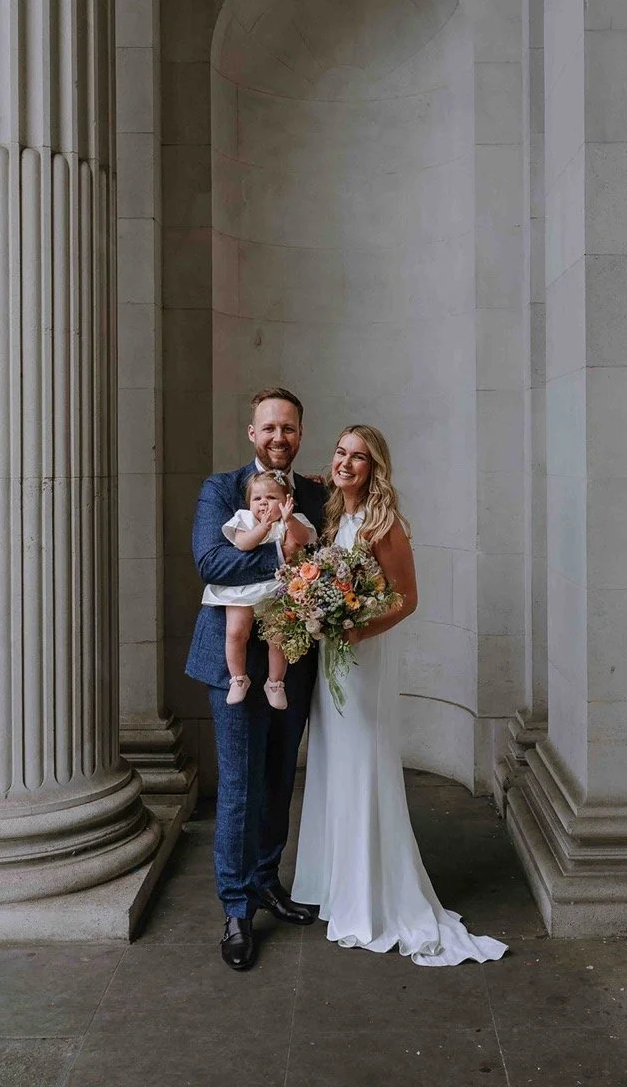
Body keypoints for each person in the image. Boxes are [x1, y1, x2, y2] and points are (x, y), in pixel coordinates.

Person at [292, 425, 507, 967]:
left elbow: (406, 600)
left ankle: (372, 895)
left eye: (358, 457)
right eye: (341, 452)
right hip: (330, 661)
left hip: (362, 658)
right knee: (335, 764)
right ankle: (336, 885)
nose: (345, 463)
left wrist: (353, 629)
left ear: (375, 467)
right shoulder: (335, 515)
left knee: (363, 762)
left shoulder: (385, 526)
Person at [185, 388, 327, 970]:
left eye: (288, 429)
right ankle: (237, 908)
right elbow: (212, 563)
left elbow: (334, 560)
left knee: (277, 780)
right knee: (241, 784)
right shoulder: (222, 489)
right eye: (269, 428)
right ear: (252, 433)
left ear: (299, 434)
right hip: (233, 663)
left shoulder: (315, 493)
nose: (278, 437)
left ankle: (267, 880)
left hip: (290, 660)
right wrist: (288, 559)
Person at [201, 469, 317, 711]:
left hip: (275, 588)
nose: (263, 503)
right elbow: (243, 544)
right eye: (257, 498)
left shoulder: (293, 520)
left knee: (278, 637)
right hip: (242, 588)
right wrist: (262, 529)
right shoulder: (245, 519)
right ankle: (238, 678)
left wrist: (289, 519)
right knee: (235, 631)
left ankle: (275, 683)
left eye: (272, 498)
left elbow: (304, 539)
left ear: (287, 501)